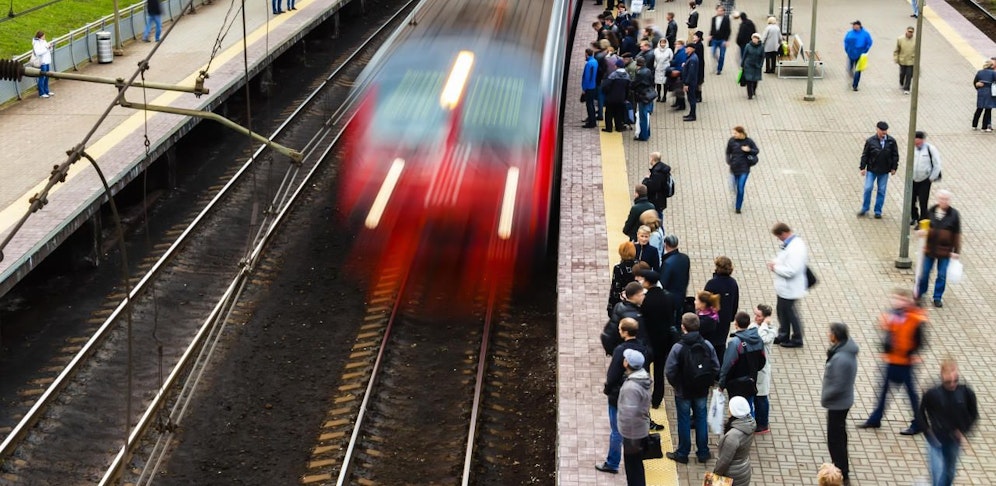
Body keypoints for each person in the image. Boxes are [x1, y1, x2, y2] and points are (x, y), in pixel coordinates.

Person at [858, 289, 926, 435]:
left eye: (899, 299)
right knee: (884, 391)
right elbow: (886, 331)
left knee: (910, 395)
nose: (896, 302)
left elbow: (919, 342)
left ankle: (918, 423)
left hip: (906, 363)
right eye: (895, 299)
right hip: (893, 360)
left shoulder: (914, 318)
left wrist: (907, 352)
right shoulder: (893, 315)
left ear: (907, 301)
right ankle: (876, 419)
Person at [664, 313, 720, 464]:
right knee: (701, 418)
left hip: (683, 390)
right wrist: (707, 381)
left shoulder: (678, 347)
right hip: (701, 390)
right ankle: (703, 452)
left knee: (683, 420)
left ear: (683, 327)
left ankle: (682, 453)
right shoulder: (707, 345)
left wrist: (676, 384)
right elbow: (716, 366)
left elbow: (669, 370)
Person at [597, 318, 650, 475]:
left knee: (616, 430)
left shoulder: (621, 351)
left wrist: (607, 389)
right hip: (639, 404)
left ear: (625, 332)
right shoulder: (643, 349)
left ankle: (612, 463)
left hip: (617, 397)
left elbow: (612, 375)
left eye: (620, 329)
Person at [916, 359, 978, 486]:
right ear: (942, 376)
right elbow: (920, 414)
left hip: (953, 441)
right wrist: (928, 431)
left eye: (955, 380)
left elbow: (974, 414)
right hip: (935, 441)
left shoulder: (966, 393)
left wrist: (963, 431)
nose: (952, 384)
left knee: (950, 473)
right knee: (937, 472)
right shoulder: (933, 394)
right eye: (948, 381)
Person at [821, 322, 859, 486]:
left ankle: (840, 471)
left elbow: (839, 384)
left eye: (830, 332)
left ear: (835, 335)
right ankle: (841, 468)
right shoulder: (843, 351)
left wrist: (826, 397)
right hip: (842, 401)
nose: (828, 334)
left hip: (838, 403)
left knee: (835, 439)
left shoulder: (841, 358)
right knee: (839, 434)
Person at [638, 269, 676, 408]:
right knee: (659, 372)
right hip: (664, 341)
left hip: (649, 341)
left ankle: (645, 397)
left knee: (645, 371)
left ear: (647, 282)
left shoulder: (646, 300)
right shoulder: (668, 297)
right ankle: (657, 399)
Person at [916, 190, 961, 308]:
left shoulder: (954, 214)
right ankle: (921, 293)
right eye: (941, 199)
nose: (943, 201)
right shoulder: (931, 211)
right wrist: (921, 231)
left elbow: (957, 234)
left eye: (946, 199)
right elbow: (923, 224)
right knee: (925, 272)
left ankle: (937, 297)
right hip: (930, 248)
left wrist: (956, 251)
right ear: (938, 199)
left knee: (942, 274)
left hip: (945, 251)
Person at [767, 222, 808, 348]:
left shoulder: (796, 248)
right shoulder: (791, 244)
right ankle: (783, 335)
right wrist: (775, 262)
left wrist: (776, 268)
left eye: (779, 237)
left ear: (784, 233)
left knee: (790, 313)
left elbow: (792, 270)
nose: (779, 239)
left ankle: (797, 338)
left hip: (790, 288)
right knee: (782, 311)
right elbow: (783, 257)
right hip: (785, 288)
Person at [617, 348, 652, 485]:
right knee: (637, 465)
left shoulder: (631, 387)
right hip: (640, 429)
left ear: (628, 364)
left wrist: (622, 429)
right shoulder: (643, 378)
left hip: (633, 435)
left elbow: (629, 414)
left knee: (633, 469)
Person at [718, 312, 765, 409]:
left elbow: (727, 366)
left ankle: (738, 423)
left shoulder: (735, 343)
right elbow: (762, 360)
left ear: (735, 324)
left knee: (736, 408)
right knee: (748, 405)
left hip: (736, 383)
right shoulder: (758, 339)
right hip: (751, 379)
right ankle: (750, 422)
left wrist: (722, 384)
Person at [858, 121, 900, 219]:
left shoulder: (891, 141)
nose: (884, 133)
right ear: (877, 129)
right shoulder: (870, 141)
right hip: (872, 170)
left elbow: (895, 155)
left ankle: (878, 211)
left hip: (884, 170)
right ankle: (865, 208)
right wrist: (862, 167)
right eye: (882, 131)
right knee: (868, 188)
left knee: (881, 190)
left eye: (885, 131)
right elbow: (865, 155)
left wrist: (894, 167)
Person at [712, 396, 756, 486]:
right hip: (744, 471)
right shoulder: (750, 423)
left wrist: (715, 475)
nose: (728, 409)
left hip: (731, 477)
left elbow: (724, 461)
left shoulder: (733, 436)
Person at [749, 304, 775, 434]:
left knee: (761, 397)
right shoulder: (754, 325)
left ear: (765, 318)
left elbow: (761, 338)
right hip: (753, 368)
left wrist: (764, 325)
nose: (755, 318)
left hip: (762, 369)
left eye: (759, 316)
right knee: (755, 396)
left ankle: (763, 424)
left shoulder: (770, 330)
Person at [909, 131, 942, 226]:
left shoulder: (930, 149)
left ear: (923, 140)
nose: (916, 144)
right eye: (915, 142)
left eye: (918, 142)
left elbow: (937, 165)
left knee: (923, 201)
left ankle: (922, 221)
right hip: (913, 178)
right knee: (911, 200)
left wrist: (931, 178)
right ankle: (914, 217)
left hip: (925, 180)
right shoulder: (912, 148)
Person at [725, 126, 759, 213]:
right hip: (733, 168)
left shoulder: (748, 141)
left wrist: (749, 150)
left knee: (740, 187)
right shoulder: (731, 141)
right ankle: (738, 197)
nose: (733, 135)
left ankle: (738, 207)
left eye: (735, 133)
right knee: (732, 187)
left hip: (744, 169)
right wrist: (729, 160)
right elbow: (728, 152)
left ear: (741, 133)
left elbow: (756, 151)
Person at [704, 256, 739, 340]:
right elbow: (735, 302)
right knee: (721, 344)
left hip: (712, 321)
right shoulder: (733, 283)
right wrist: (731, 317)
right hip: (725, 320)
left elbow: (705, 302)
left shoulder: (712, 283)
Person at [660, 234, 690, 326]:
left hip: (670, 299)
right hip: (681, 295)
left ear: (665, 245)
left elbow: (663, 283)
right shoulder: (685, 258)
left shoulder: (668, 263)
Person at [607, 241, 638, 317]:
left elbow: (615, 288)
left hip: (623, 302)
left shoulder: (619, 268)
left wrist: (611, 308)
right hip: (636, 299)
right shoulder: (638, 264)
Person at [602, 58, 631, 132]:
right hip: (621, 98)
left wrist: (607, 93)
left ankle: (609, 128)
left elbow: (605, 86)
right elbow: (628, 89)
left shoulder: (613, 75)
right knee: (619, 113)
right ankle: (619, 127)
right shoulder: (627, 76)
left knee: (609, 113)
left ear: (616, 66)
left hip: (611, 98)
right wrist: (625, 97)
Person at [694, 291, 724, 361]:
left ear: (703, 304)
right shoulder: (709, 313)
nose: (694, 302)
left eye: (696, 300)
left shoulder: (707, 321)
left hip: (702, 352)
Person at [642, 152, 672, 222]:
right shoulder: (662, 169)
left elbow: (653, 187)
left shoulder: (657, 173)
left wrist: (646, 180)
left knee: (657, 220)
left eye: (650, 158)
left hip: (656, 201)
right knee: (659, 217)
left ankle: (661, 232)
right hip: (661, 200)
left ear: (653, 159)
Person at [843, 20, 873, 91]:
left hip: (860, 54)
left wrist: (865, 50)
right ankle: (851, 75)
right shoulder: (850, 33)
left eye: (855, 25)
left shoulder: (865, 34)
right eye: (853, 25)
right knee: (850, 68)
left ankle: (855, 85)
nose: (854, 27)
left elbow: (869, 42)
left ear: (859, 26)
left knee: (858, 70)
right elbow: (846, 42)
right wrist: (847, 50)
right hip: (851, 53)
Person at [632, 57, 656, 141]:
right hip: (649, 94)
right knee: (646, 115)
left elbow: (634, 84)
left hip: (642, 96)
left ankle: (643, 135)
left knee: (642, 116)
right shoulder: (648, 70)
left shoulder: (639, 73)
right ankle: (647, 133)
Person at [971, 59, 996, 132]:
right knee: (988, 110)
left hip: (981, 92)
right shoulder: (993, 73)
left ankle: (974, 125)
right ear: (991, 66)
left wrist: (978, 88)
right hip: (989, 92)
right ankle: (984, 127)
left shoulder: (980, 72)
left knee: (979, 108)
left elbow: (975, 82)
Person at [708, 5, 732, 75]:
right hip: (715, 39)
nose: (719, 12)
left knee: (722, 55)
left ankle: (719, 69)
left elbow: (728, 30)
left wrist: (727, 40)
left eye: (721, 11)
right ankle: (716, 63)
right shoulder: (714, 18)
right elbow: (712, 28)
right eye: (718, 10)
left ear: (723, 12)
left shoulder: (726, 19)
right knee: (712, 53)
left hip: (722, 40)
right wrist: (710, 35)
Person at [31, 32, 54, 99]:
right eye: (43, 36)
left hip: (46, 61)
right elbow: (38, 52)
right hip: (42, 62)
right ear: (40, 36)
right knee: (42, 77)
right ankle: (42, 93)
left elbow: (47, 49)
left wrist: (49, 47)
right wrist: (46, 48)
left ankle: (46, 91)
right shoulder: (36, 43)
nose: (44, 37)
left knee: (47, 77)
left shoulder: (43, 41)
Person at [741, 33, 764, 99]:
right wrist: (742, 64)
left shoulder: (761, 47)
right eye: (754, 38)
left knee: (755, 80)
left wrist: (760, 64)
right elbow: (744, 55)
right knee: (749, 80)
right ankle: (750, 94)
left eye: (756, 38)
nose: (755, 39)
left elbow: (762, 56)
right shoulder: (748, 46)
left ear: (758, 40)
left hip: (757, 66)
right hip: (748, 65)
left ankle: (753, 91)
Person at [681, 44, 700, 121]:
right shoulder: (691, 57)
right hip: (691, 82)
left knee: (691, 99)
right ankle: (691, 114)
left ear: (692, 49)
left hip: (691, 83)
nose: (686, 49)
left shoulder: (693, 59)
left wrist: (686, 84)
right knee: (690, 98)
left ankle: (693, 115)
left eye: (687, 48)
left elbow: (691, 73)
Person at [894, 26, 915, 94]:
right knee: (902, 73)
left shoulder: (916, 40)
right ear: (906, 31)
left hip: (911, 60)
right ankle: (901, 82)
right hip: (902, 60)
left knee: (909, 74)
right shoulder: (900, 39)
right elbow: (897, 50)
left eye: (911, 32)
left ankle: (907, 88)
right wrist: (896, 58)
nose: (910, 33)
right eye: (909, 31)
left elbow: (917, 51)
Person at [582, 48, 600, 128]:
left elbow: (586, 77)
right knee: (591, 104)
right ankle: (593, 121)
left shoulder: (589, 64)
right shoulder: (595, 62)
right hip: (594, 86)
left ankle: (591, 123)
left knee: (589, 105)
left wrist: (584, 88)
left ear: (586, 54)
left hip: (589, 87)